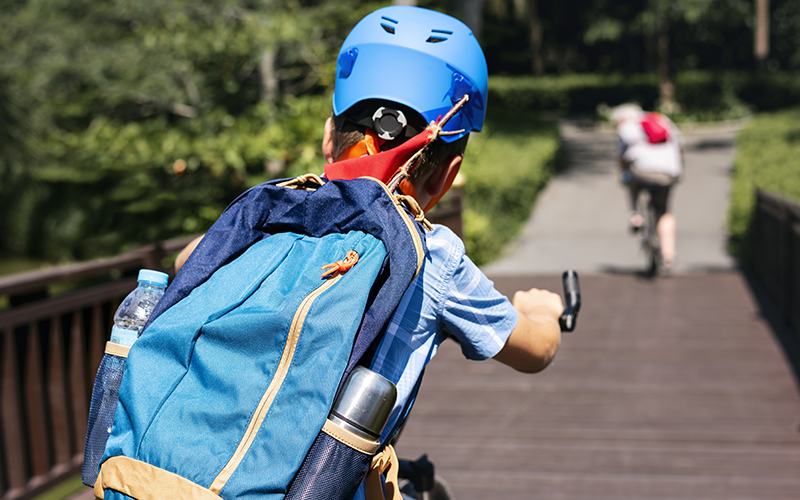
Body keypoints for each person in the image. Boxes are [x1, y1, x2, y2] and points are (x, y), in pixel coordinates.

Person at [176, 5, 563, 496]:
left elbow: (187, 262)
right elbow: (535, 352)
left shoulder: (274, 209)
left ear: (326, 137)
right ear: (448, 174)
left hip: (186, 474)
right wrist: (542, 310)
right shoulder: (435, 259)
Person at [611, 103, 684, 269]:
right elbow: (680, 146)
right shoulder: (661, 119)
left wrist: (622, 175)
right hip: (668, 172)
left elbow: (621, 157)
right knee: (664, 211)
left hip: (641, 171)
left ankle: (635, 215)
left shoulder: (626, 127)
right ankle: (669, 254)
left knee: (630, 180)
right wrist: (679, 171)